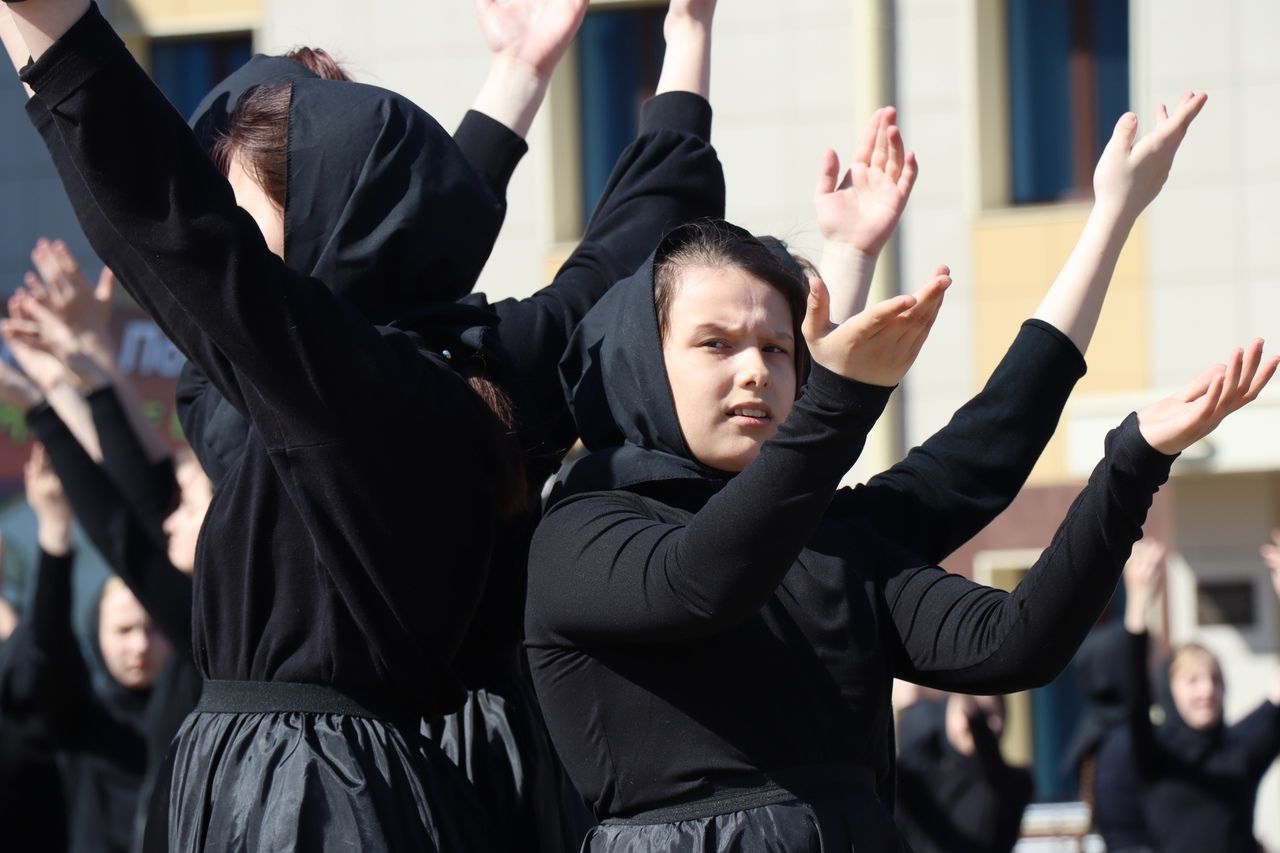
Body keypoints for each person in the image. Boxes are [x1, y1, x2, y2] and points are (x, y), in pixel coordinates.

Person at [523, 98, 1272, 846]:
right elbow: (703, 580)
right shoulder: (583, 533)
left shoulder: (835, 541)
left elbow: (1012, 622)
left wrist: (1134, 457)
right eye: (715, 344)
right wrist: (840, 395)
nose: (755, 371)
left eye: (777, 349)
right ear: (641, 365)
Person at [0, 236, 211, 847]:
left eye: (191, 503)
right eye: (122, 629)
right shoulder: (88, 718)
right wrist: (74, 374)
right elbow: (142, 501)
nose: (171, 518)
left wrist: (55, 397)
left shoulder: (223, 638)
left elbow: (132, 523)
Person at [0, 442, 171, 853]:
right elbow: (48, 650)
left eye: (152, 629)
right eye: (124, 630)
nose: (139, 646)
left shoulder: (190, 714)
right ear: (98, 633)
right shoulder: (82, 716)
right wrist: (55, 531)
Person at [1122, 539, 1280, 853]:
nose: (1207, 690)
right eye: (1192, 680)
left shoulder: (1240, 748)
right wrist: (1138, 605)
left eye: (1215, 680)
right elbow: (1134, 698)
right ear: (1170, 691)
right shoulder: (1156, 755)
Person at [895, 693, 1033, 853]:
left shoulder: (1015, 782)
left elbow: (991, 765)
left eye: (987, 713)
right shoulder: (920, 776)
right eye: (968, 712)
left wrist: (969, 707)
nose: (970, 720)